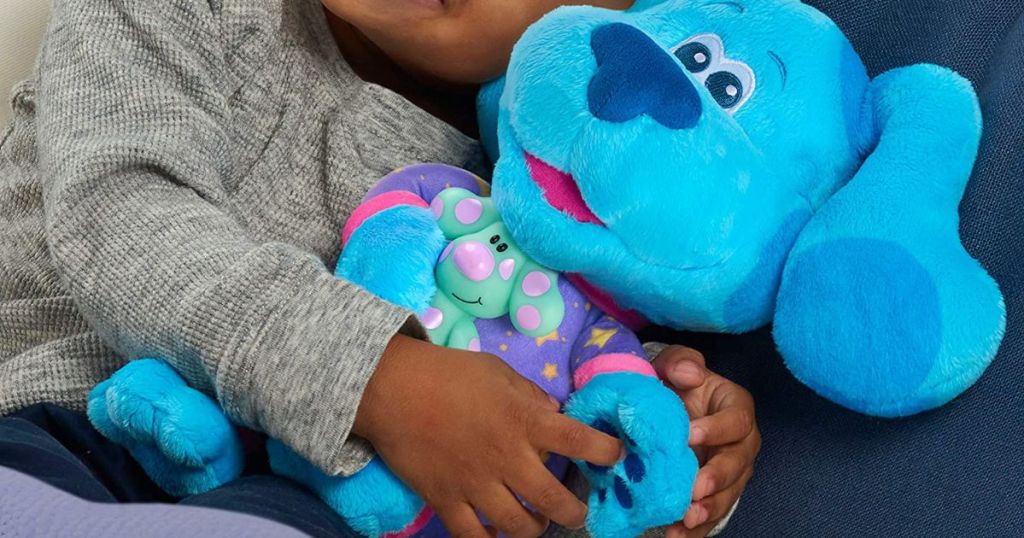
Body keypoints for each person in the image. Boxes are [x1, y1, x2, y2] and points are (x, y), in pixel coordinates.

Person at [0, 0, 759, 536]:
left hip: (304, 501)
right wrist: (376, 379)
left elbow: (538, 359)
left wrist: (650, 427)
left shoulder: (528, 198)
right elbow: (119, 217)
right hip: (56, 420)